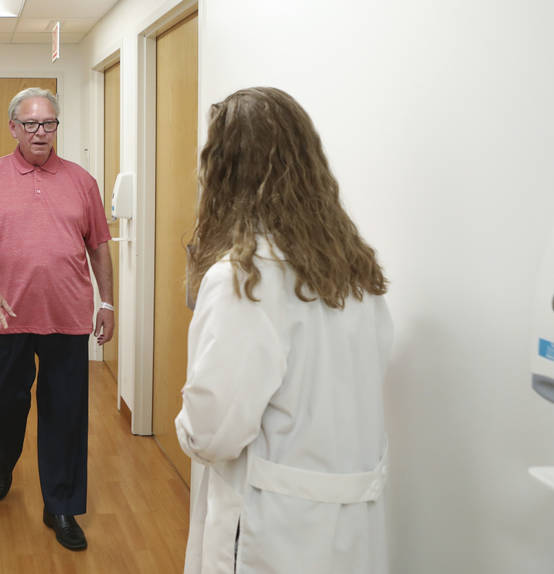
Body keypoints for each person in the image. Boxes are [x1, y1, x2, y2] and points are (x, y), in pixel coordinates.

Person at [175, 87, 393, 574]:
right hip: (351, 524)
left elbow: (212, 434)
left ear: (224, 172)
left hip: (268, 529)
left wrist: (185, 427)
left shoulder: (243, 280)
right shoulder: (355, 271)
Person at [0, 87, 114, 551]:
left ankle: (61, 504)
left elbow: (100, 246)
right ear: (13, 128)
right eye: (30, 124)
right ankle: (6, 455)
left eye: (48, 123)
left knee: (66, 412)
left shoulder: (82, 182)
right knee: (0, 400)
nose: (40, 132)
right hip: (6, 316)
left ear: (57, 126)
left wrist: (107, 302)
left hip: (67, 315)